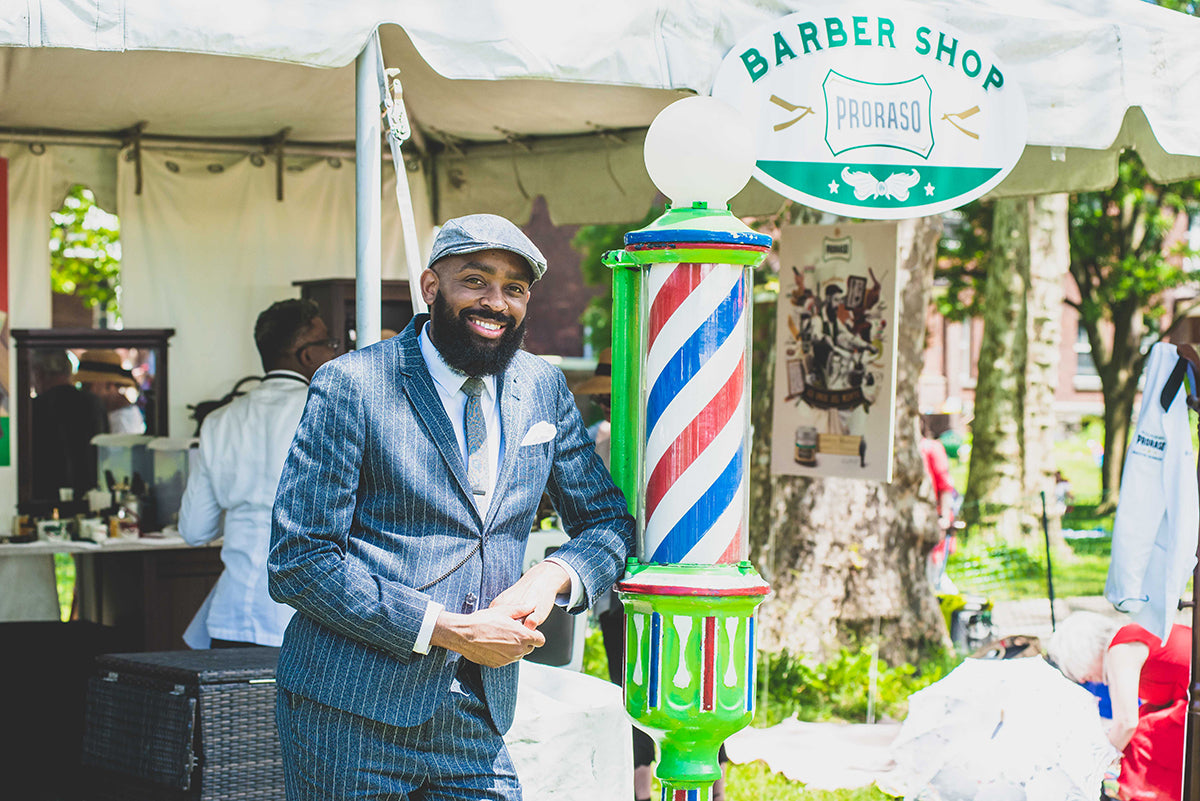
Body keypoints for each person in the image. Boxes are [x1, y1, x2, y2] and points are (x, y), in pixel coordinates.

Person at [269, 213, 635, 800]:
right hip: (350, 711)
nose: (496, 301)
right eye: (476, 281)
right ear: (432, 287)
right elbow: (300, 560)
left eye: (514, 289)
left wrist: (551, 577)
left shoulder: (541, 384)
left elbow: (608, 524)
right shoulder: (354, 385)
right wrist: (446, 629)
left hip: (478, 712)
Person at [578, 348, 728, 801]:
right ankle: (644, 785)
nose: (608, 408)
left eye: (612, 399)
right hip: (626, 584)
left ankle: (711, 784)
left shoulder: (665, 438)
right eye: (603, 401)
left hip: (673, 577)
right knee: (636, 683)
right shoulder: (602, 442)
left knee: (699, 680)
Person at [179, 299, 337, 648]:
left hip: (230, 616)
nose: (335, 353)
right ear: (307, 355)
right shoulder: (326, 414)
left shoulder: (220, 421)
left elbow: (193, 530)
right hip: (301, 618)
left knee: (235, 706)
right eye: (330, 344)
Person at [1047, 612, 1190, 801]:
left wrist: (1098, 763)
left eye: (1078, 669)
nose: (1082, 679)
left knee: (1139, 740)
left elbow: (1126, 723)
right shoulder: (1127, 641)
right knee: (1144, 722)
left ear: (1084, 654)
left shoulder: (1120, 650)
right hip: (1188, 701)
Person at [29, 349, 108, 502]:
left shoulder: (36, 408)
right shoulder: (94, 403)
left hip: (45, 498)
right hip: (90, 495)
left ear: (39, 373)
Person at [76, 349, 145, 434]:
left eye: (87, 386)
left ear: (109, 385)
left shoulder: (121, 419)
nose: (83, 391)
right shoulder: (110, 414)